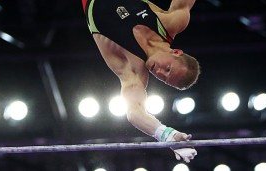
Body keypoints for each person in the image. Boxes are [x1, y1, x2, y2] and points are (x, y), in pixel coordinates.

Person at [81, 0, 200, 163]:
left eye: (163, 78)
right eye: (168, 69)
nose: (158, 72)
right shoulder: (171, 22)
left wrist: (167, 135)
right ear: (176, 52)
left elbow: (134, 112)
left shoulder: (133, 71)